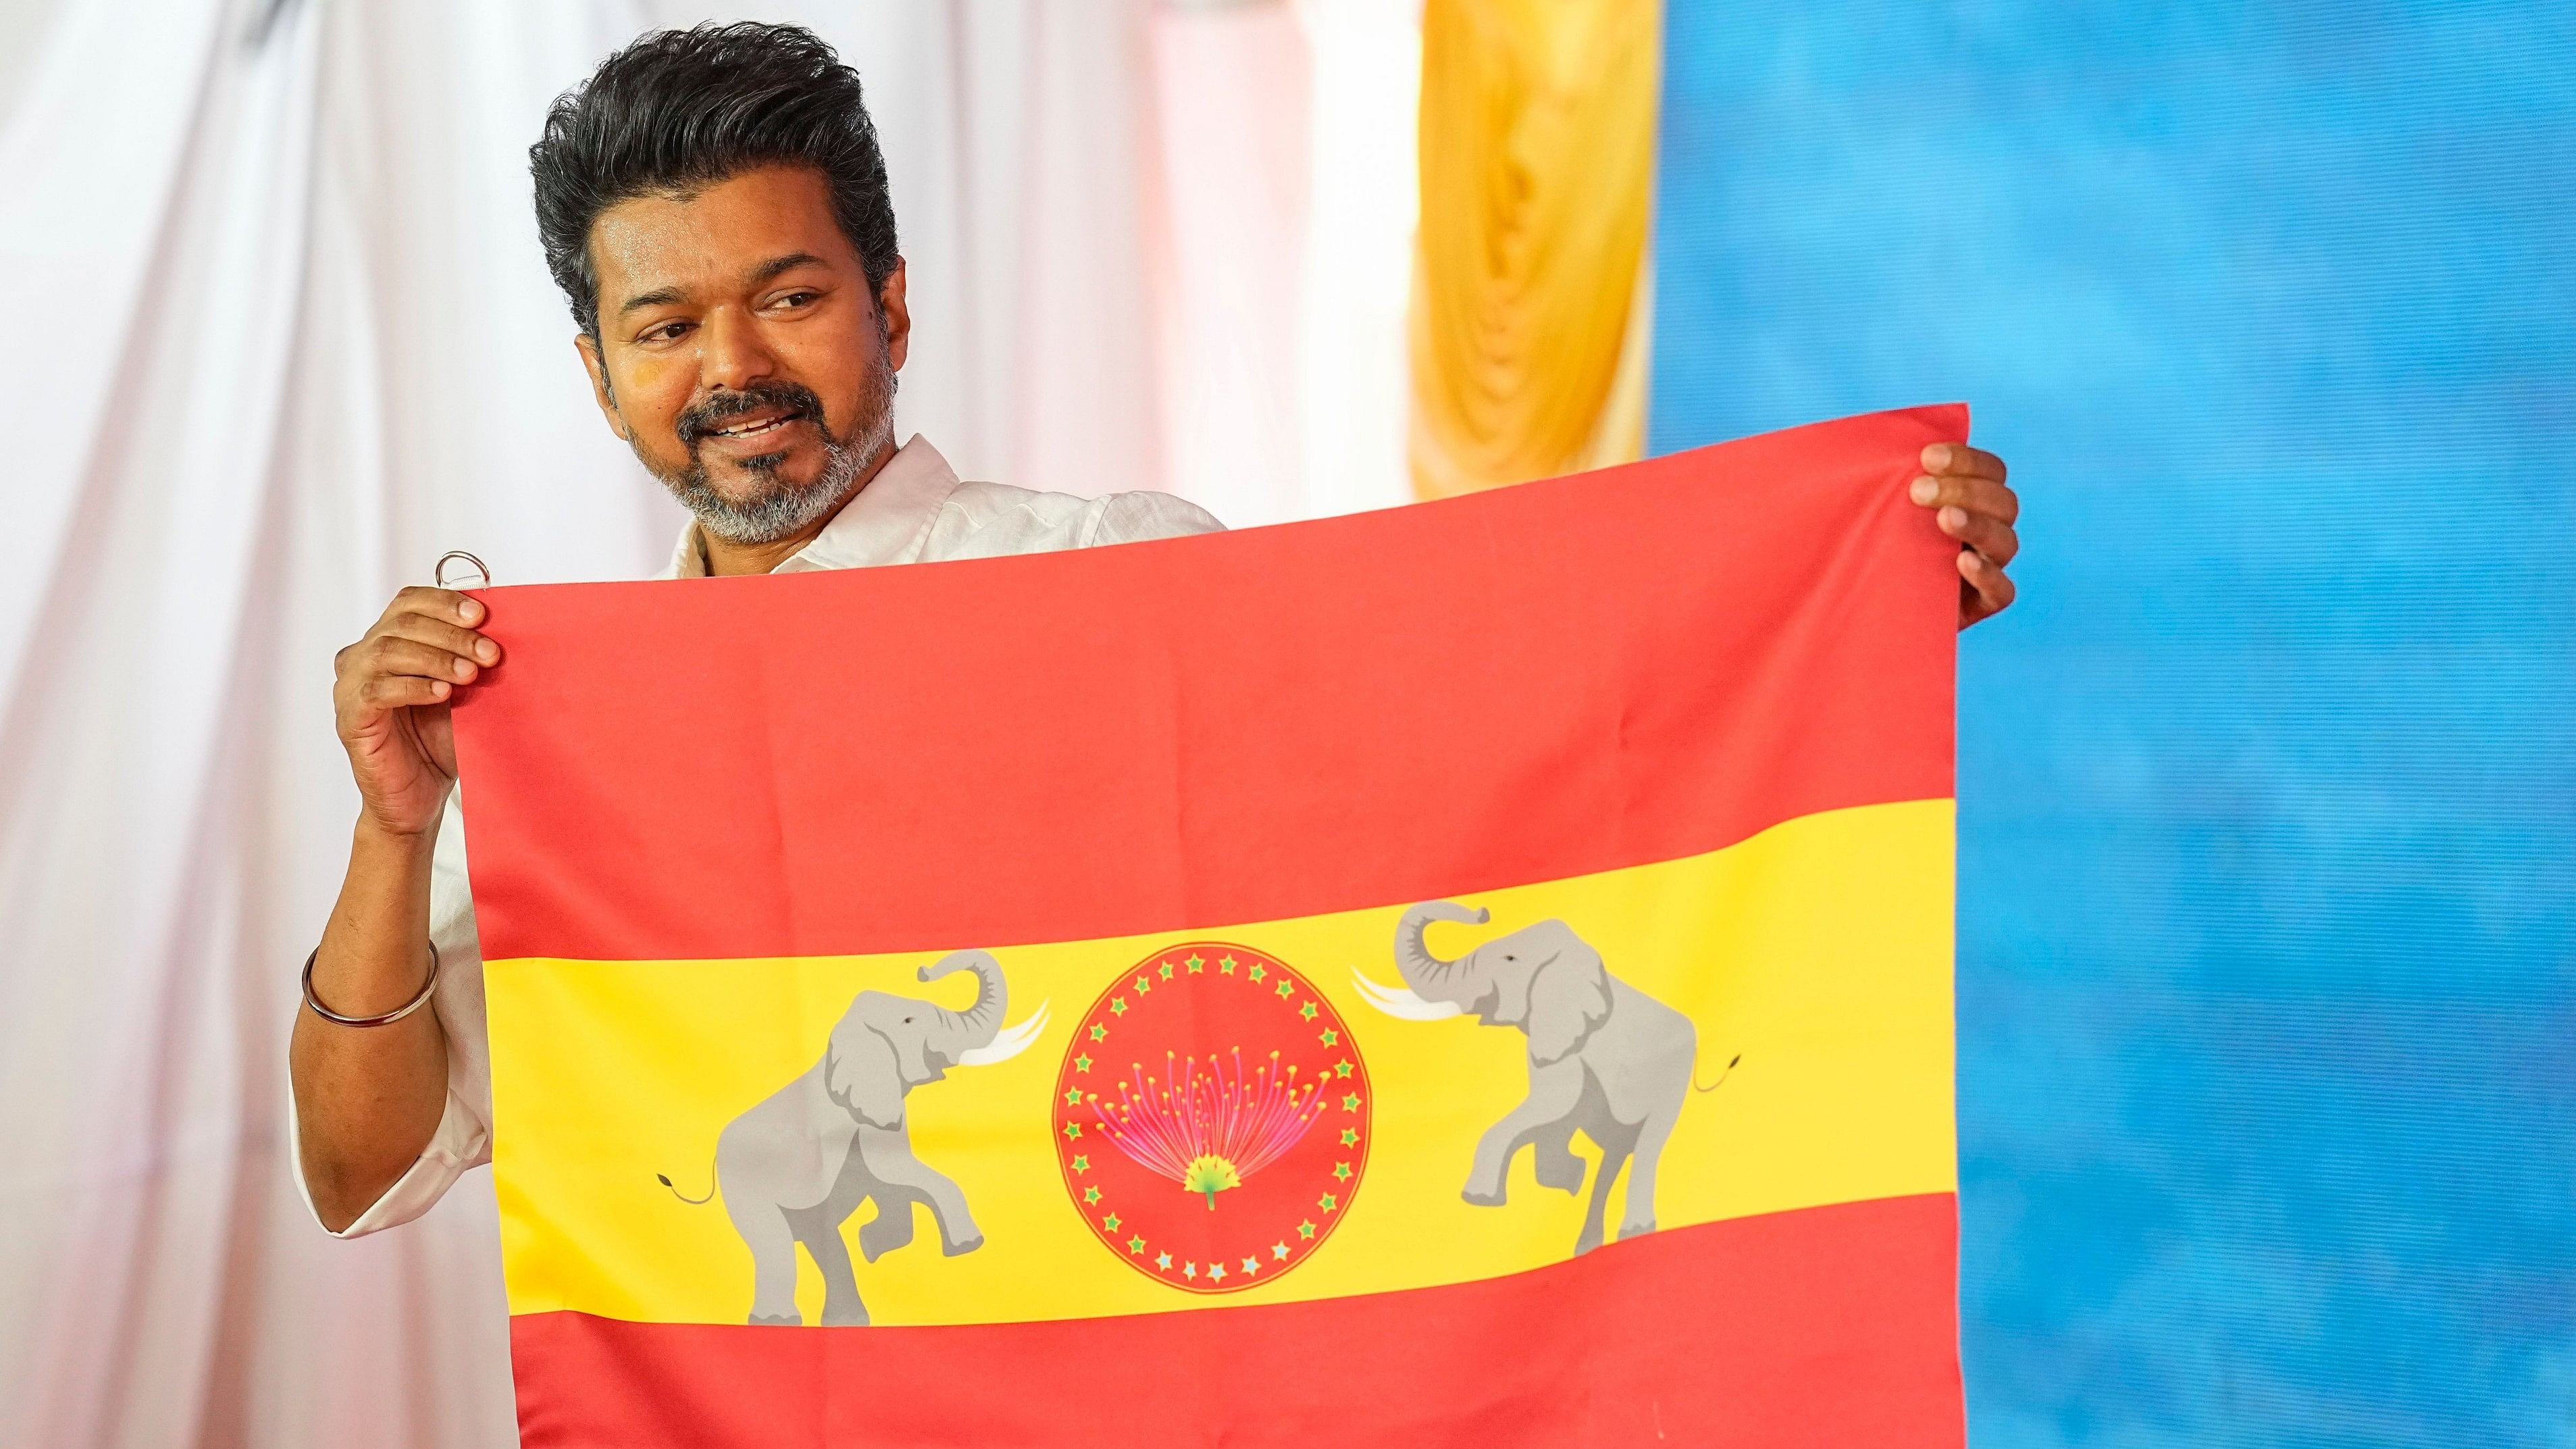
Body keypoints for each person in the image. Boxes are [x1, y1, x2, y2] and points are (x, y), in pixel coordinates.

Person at [289, 21, 2022, 1236]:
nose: (731, 367)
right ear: (600, 380)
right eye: (665, 324)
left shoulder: (1113, 569)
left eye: (791, 295)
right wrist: (395, 822)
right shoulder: (572, 731)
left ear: (889, 306)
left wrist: (1837, 607)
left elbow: (1474, 800)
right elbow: (361, 1170)